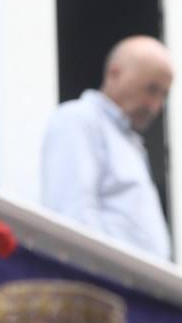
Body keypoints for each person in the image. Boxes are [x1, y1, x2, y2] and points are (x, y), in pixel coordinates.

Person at [40, 35, 173, 260]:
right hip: (101, 275)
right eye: (151, 89)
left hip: (135, 278)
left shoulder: (130, 144)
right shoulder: (79, 119)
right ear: (114, 73)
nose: (155, 106)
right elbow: (71, 217)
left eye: (163, 95)